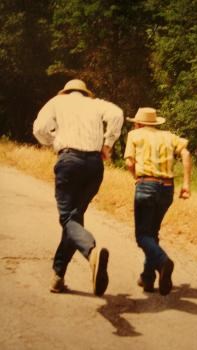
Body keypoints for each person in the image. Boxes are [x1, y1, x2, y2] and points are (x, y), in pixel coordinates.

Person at [33, 79, 123, 295]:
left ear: (65, 91)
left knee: (67, 219)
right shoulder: (96, 104)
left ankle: (90, 250)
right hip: (94, 165)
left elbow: (39, 129)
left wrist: (52, 140)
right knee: (75, 219)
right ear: (84, 93)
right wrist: (107, 144)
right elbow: (117, 114)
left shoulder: (57, 101)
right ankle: (58, 276)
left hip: (69, 162)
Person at [124, 107, 191, 295]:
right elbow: (186, 153)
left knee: (142, 236)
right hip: (167, 188)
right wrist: (186, 183)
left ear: (138, 123)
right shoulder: (169, 136)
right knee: (152, 233)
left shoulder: (134, 135)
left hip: (146, 185)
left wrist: (136, 177)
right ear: (155, 123)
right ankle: (147, 277)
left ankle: (163, 262)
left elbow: (129, 163)